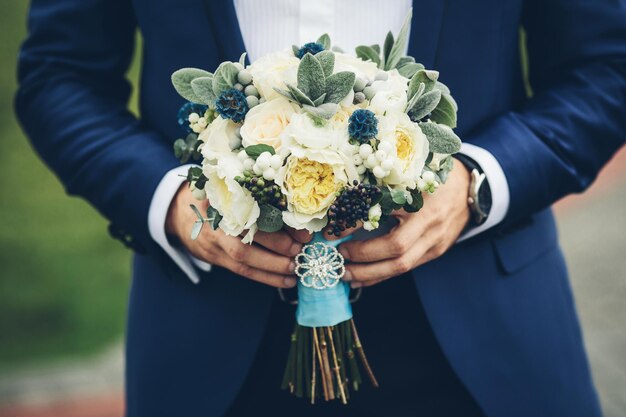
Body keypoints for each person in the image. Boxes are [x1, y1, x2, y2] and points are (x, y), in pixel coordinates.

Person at [15, 0, 626, 416]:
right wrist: (171, 202)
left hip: (484, 335)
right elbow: (59, 75)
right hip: (212, 338)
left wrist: (476, 184)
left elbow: (604, 68)